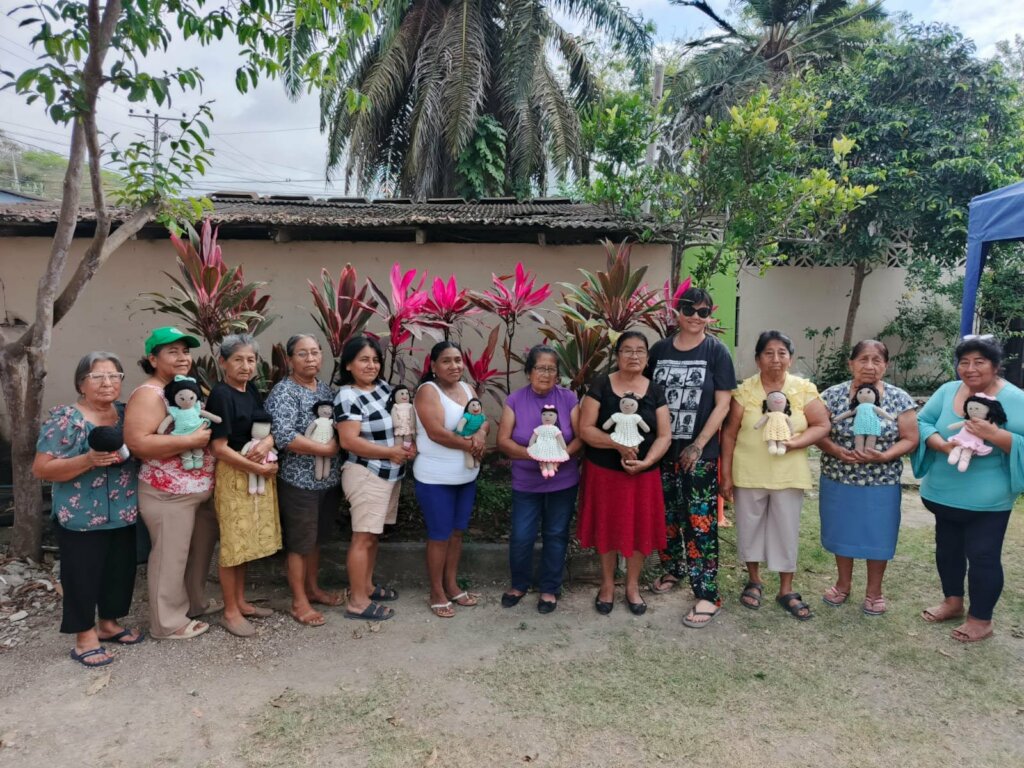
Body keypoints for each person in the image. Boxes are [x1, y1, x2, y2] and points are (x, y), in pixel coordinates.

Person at [33, 352, 142, 667]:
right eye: (97, 376)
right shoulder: (66, 418)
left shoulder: (126, 415)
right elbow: (42, 468)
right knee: (81, 576)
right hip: (80, 517)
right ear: (81, 383)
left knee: (119, 571)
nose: (107, 382)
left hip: (123, 513)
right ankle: (84, 638)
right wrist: (87, 460)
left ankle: (109, 625)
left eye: (114, 375)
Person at [913, 335, 1024, 643]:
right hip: (943, 492)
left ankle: (981, 618)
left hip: (989, 500)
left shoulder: (1016, 399)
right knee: (947, 550)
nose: (970, 369)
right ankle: (952, 602)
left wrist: (995, 435)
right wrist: (940, 443)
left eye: (979, 362)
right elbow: (922, 423)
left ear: (996, 366)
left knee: (983, 556)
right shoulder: (948, 390)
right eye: (964, 362)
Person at [720, 330, 830, 622]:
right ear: (757, 359)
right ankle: (754, 580)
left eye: (782, 353)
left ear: (791, 359)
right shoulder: (745, 391)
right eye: (768, 353)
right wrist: (726, 474)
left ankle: (786, 588)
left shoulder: (803, 389)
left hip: (788, 473)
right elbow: (729, 434)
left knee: (786, 530)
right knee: (750, 528)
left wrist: (796, 442)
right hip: (749, 472)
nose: (775, 359)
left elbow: (821, 425)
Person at [645, 286, 737, 627]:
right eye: (689, 310)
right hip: (661, 451)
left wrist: (698, 444)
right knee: (667, 516)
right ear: (676, 312)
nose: (696, 317)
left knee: (700, 523)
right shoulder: (659, 350)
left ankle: (707, 593)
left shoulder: (717, 351)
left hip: (700, 454)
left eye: (703, 311)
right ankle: (674, 569)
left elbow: (723, 403)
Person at [124, 327, 219, 640]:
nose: (182, 358)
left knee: (197, 552)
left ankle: (195, 603)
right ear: (153, 358)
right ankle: (168, 622)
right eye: (172, 352)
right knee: (170, 557)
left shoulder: (184, 388)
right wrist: (191, 440)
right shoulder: (149, 394)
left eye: (185, 351)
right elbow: (137, 443)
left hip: (196, 490)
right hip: (167, 493)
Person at [816, 340, 919, 615]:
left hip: (881, 483)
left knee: (879, 535)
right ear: (851, 363)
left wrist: (885, 456)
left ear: (885, 365)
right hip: (839, 478)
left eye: (877, 360)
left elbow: (911, 438)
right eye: (863, 359)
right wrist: (836, 451)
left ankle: (874, 592)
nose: (870, 366)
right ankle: (842, 584)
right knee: (842, 530)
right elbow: (818, 430)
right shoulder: (832, 396)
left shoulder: (899, 398)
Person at [578, 331, 671, 616]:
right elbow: (586, 429)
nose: (634, 356)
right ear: (617, 355)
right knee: (606, 526)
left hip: (643, 476)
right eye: (627, 350)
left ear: (647, 357)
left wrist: (647, 462)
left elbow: (664, 436)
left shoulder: (655, 390)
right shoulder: (601, 384)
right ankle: (607, 585)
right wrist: (615, 445)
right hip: (604, 473)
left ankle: (632, 586)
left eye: (640, 351)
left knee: (640, 527)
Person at [205, 335, 281, 637]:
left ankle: (241, 601)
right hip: (234, 474)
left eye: (250, 360)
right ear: (223, 362)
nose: (246, 366)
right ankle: (230, 611)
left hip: (257, 471)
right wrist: (257, 466)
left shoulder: (251, 391)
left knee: (246, 542)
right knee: (233, 544)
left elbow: (268, 427)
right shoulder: (221, 394)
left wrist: (269, 446)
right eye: (238, 359)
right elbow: (218, 447)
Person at [496, 345, 582, 614]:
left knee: (556, 534)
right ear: (529, 371)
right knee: (522, 535)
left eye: (551, 369)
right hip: (526, 482)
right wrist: (533, 454)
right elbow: (503, 442)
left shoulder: (568, 398)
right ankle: (519, 584)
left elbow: (581, 437)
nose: (546, 374)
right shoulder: (515, 400)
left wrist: (560, 455)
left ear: (558, 373)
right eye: (540, 368)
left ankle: (549, 588)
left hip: (563, 481)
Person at [265, 334, 342, 627]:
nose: (310, 359)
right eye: (302, 354)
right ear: (289, 359)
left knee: (317, 540)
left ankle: (313, 589)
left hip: (327, 480)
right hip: (299, 481)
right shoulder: (284, 392)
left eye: (314, 353)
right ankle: (299, 601)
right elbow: (283, 435)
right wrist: (325, 449)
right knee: (299, 543)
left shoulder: (325, 390)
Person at [334, 335, 414, 621]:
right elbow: (348, 441)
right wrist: (390, 451)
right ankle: (357, 601)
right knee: (362, 537)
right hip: (366, 473)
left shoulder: (382, 388)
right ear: (348, 365)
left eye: (375, 360)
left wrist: (405, 445)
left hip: (390, 472)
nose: (371, 365)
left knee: (373, 536)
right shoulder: (347, 395)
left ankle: (366, 587)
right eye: (364, 360)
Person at [413, 341, 488, 618]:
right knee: (439, 535)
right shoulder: (427, 392)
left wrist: (480, 435)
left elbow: (482, 420)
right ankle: (436, 591)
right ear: (433, 366)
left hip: (466, 476)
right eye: (446, 361)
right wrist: (471, 444)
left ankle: (452, 584)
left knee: (457, 534)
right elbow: (436, 433)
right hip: (435, 478)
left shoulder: (468, 388)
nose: (454, 366)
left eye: (458, 360)